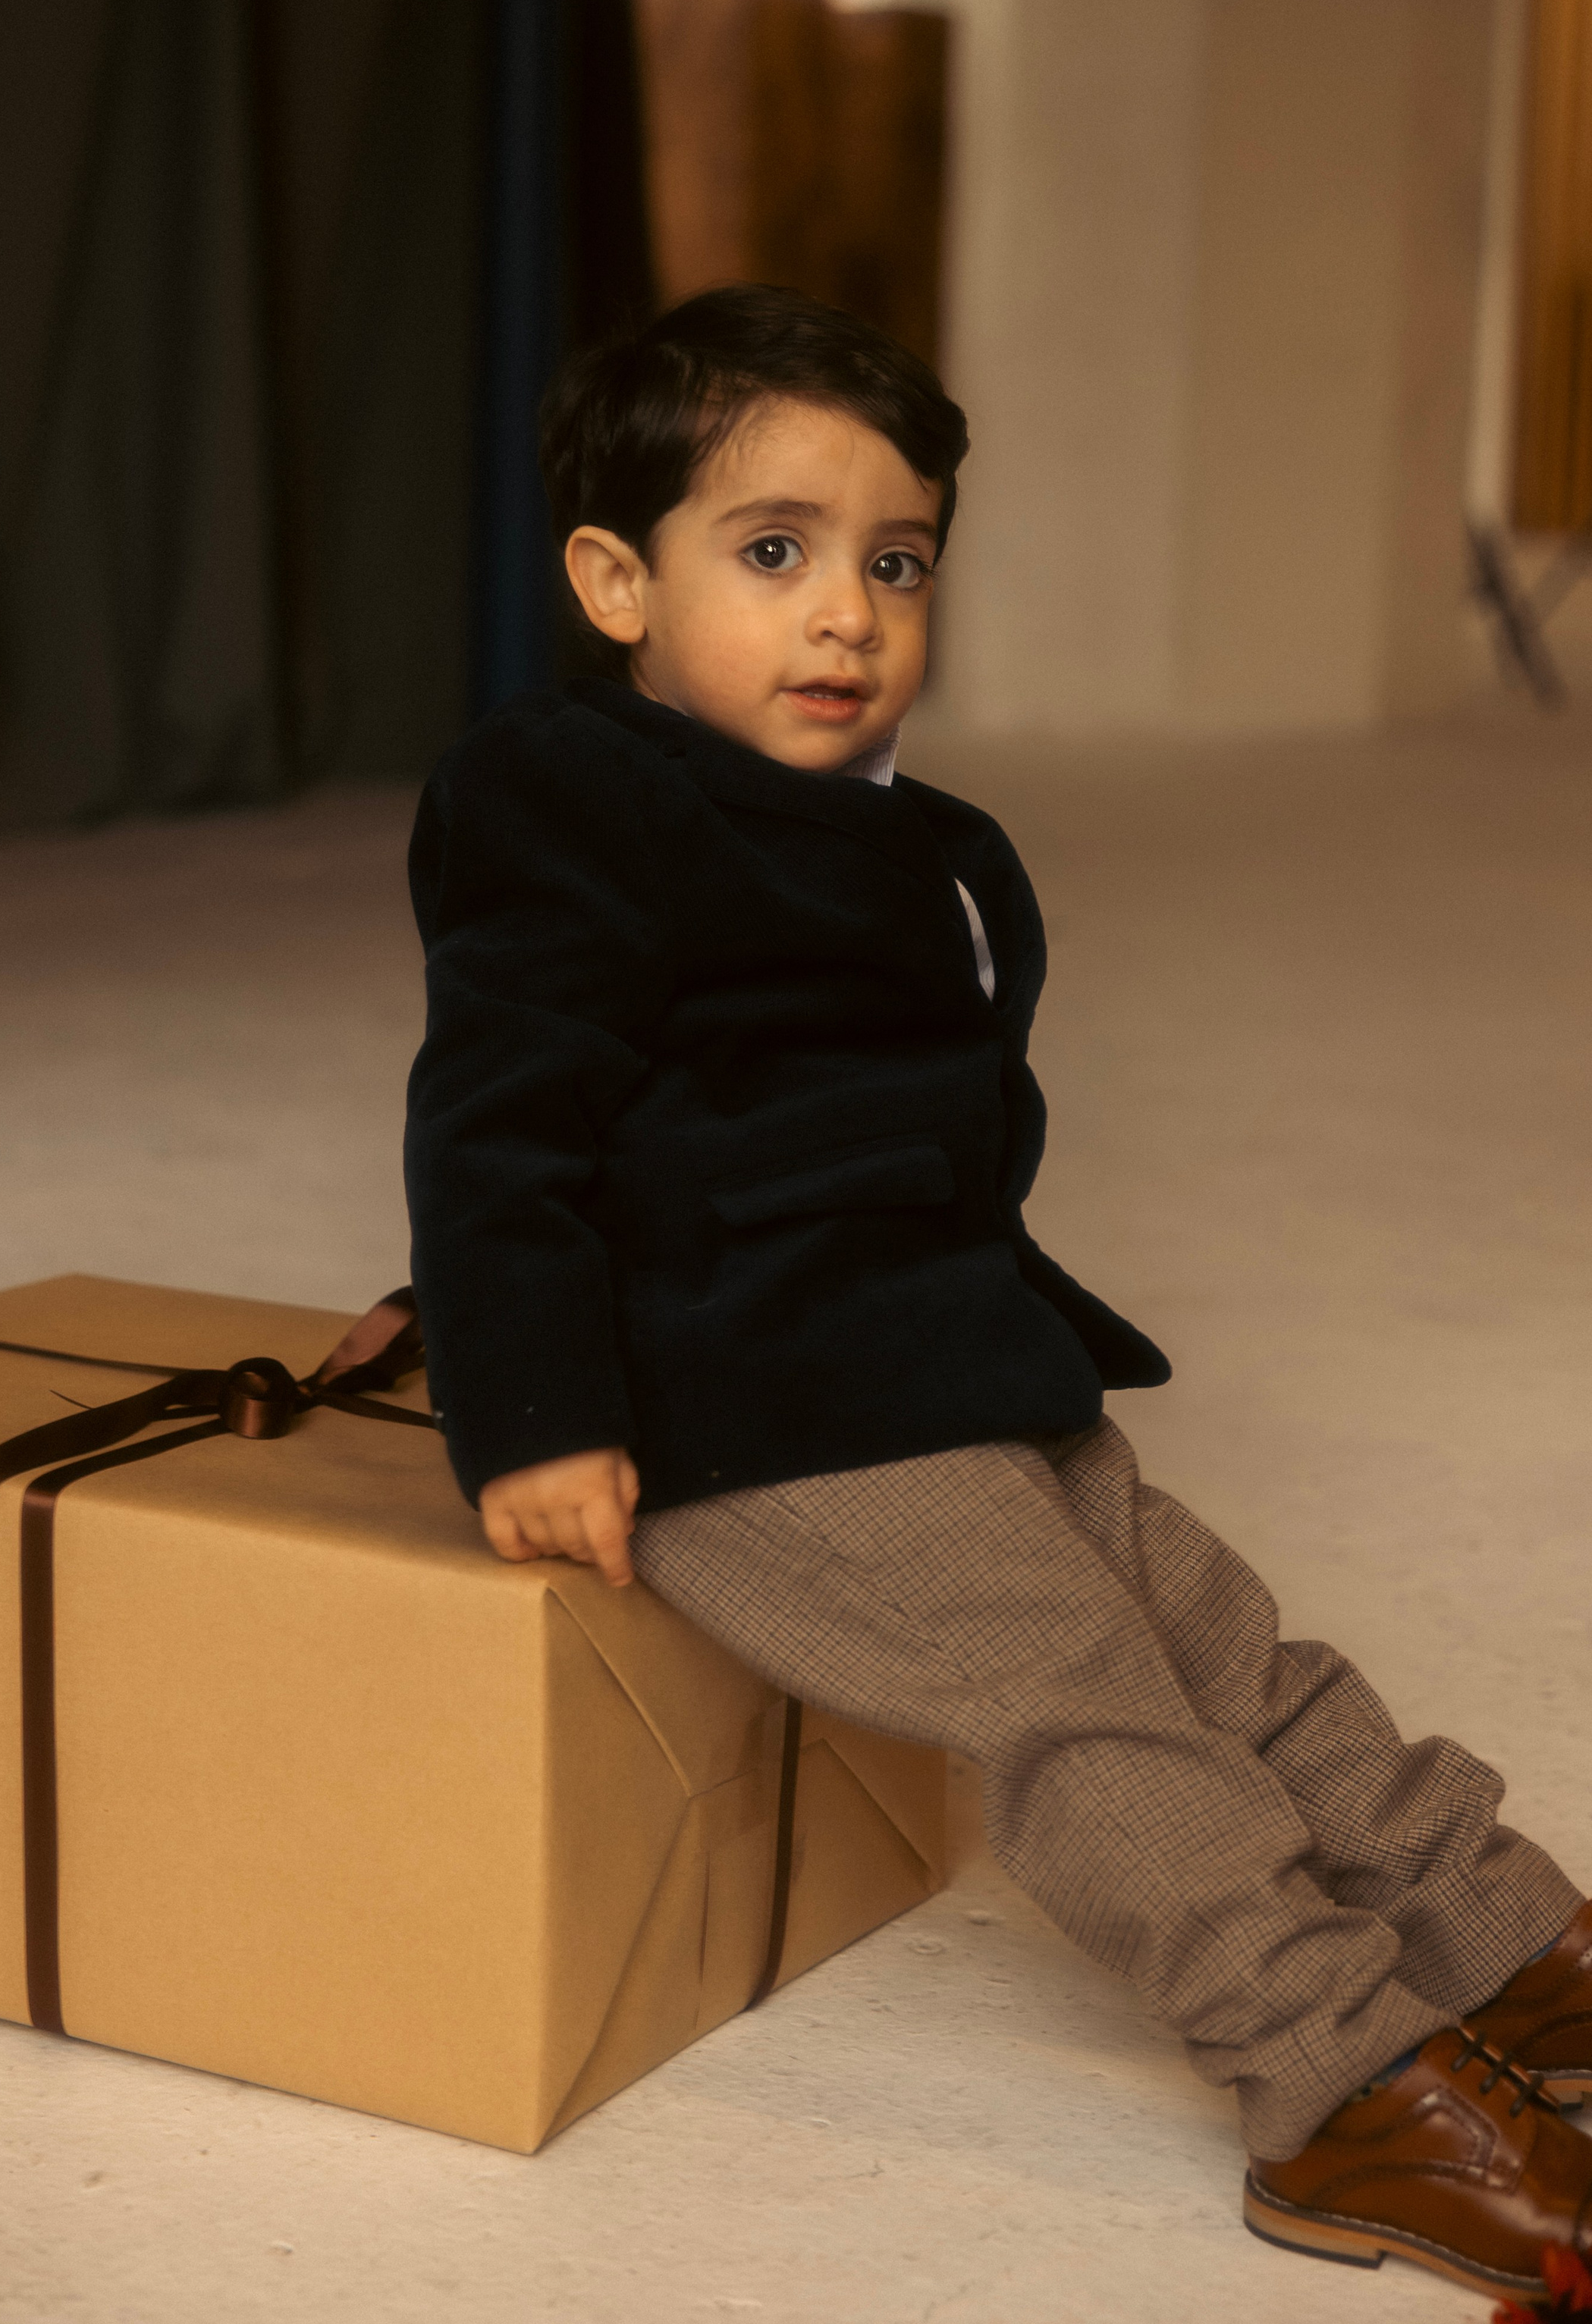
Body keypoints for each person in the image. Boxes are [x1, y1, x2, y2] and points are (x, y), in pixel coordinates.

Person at [402, 284, 1592, 2304]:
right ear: (617, 581)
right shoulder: (560, 795)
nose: (846, 612)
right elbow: (502, 1111)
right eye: (771, 555)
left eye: (895, 561)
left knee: (1223, 1634)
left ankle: (1504, 1942)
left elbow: (769, 1111)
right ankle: (1336, 2077)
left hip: (934, 1347)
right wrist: (529, 1397)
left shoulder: (893, 832)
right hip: (745, 1399)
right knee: (1086, 1694)